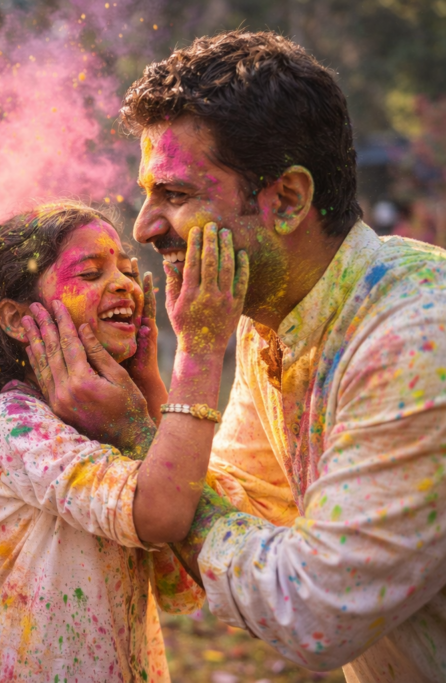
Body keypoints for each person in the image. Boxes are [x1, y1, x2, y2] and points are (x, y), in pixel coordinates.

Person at [123, 30, 446, 681]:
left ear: (289, 200)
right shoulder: (268, 316)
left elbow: (313, 608)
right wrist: (147, 390)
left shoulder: (417, 338)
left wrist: (134, 431)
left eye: (176, 195)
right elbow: (243, 502)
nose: (144, 226)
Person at [0, 201, 249, 682]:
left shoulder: (114, 418)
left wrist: (148, 383)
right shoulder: (13, 423)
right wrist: (200, 345)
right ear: (18, 320)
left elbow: (183, 586)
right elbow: (162, 514)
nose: (125, 284)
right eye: (90, 273)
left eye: (127, 270)